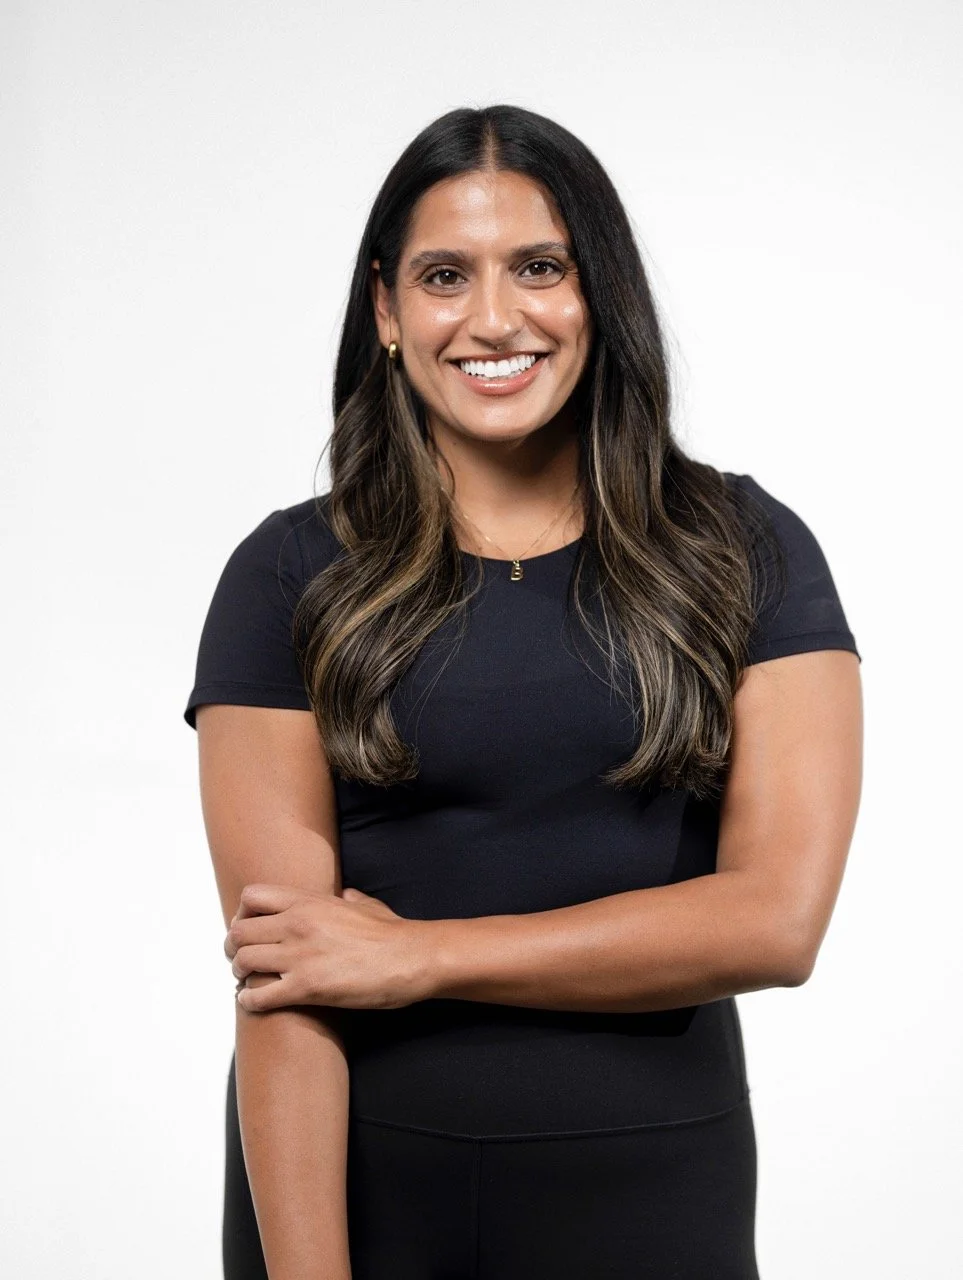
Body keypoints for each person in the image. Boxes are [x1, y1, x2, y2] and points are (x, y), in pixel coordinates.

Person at [184, 103, 862, 1280]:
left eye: (539, 267)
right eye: (446, 276)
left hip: (655, 1194)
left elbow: (776, 918)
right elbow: (286, 975)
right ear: (388, 311)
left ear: (599, 289)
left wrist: (425, 955)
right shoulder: (289, 573)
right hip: (357, 1199)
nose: (494, 318)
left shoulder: (744, 548)